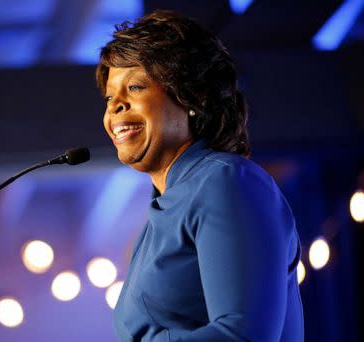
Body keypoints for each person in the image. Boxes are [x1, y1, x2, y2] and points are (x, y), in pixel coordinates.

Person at [96, 10, 303, 341]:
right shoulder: (157, 219)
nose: (114, 106)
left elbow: (243, 335)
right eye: (109, 97)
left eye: (134, 87)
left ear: (191, 96)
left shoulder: (226, 182)